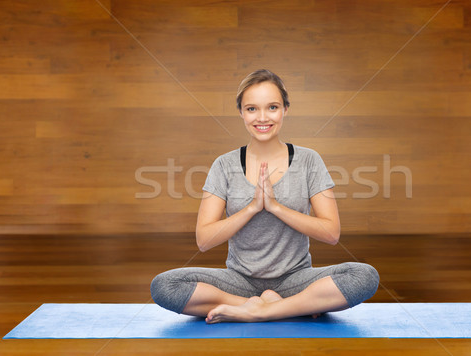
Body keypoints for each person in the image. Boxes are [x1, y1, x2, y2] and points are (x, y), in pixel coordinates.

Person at [151, 69, 379, 324]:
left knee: (364, 276)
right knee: (165, 285)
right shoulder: (224, 165)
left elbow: (331, 233)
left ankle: (260, 311)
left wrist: (275, 207)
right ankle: (276, 307)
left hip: (296, 280)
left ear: (285, 110)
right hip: (238, 282)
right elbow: (204, 240)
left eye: (272, 107)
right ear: (241, 112)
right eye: (251, 109)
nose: (262, 117)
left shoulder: (309, 160)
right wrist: (251, 208)